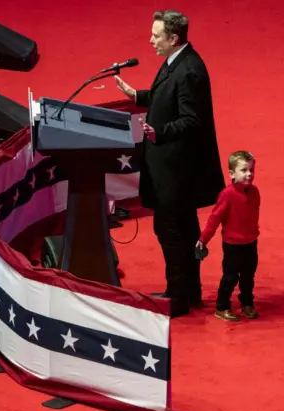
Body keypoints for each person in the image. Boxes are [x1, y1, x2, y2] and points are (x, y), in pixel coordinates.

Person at [115, 10, 225, 317]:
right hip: (173, 169)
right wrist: (137, 95)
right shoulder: (178, 62)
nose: (150, 40)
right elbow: (168, 97)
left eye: (156, 35)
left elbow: (192, 119)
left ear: (173, 38)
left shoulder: (189, 70)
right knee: (185, 229)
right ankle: (188, 291)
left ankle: (177, 297)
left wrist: (159, 131)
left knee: (171, 230)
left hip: (177, 172)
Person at [197, 151, 260, 322]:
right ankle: (222, 305)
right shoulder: (227, 195)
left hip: (251, 242)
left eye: (251, 169)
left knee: (248, 276)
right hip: (233, 245)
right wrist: (204, 239)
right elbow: (214, 218)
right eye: (244, 170)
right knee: (230, 276)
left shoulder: (254, 192)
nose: (249, 174)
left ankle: (247, 302)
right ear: (232, 173)